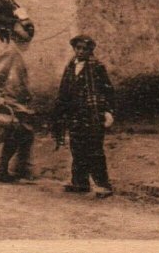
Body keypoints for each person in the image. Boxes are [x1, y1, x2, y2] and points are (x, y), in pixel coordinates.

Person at [52, 35, 115, 198]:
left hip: (93, 115)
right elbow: (64, 90)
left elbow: (107, 90)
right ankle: (80, 182)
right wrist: (61, 112)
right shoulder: (70, 66)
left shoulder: (97, 67)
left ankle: (103, 185)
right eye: (78, 48)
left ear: (90, 50)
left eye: (84, 49)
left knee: (94, 150)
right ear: (74, 49)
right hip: (75, 114)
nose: (80, 51)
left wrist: (108, 111)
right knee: (77, 148)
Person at [0, 21, 37, 183]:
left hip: (18, 100)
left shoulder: (18, 53)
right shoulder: (10, 53)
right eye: (24, 38)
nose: (27, 42)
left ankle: (11, 170)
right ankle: (5, 171)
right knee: (19, 134)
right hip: (10, 101)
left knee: (20, 135)